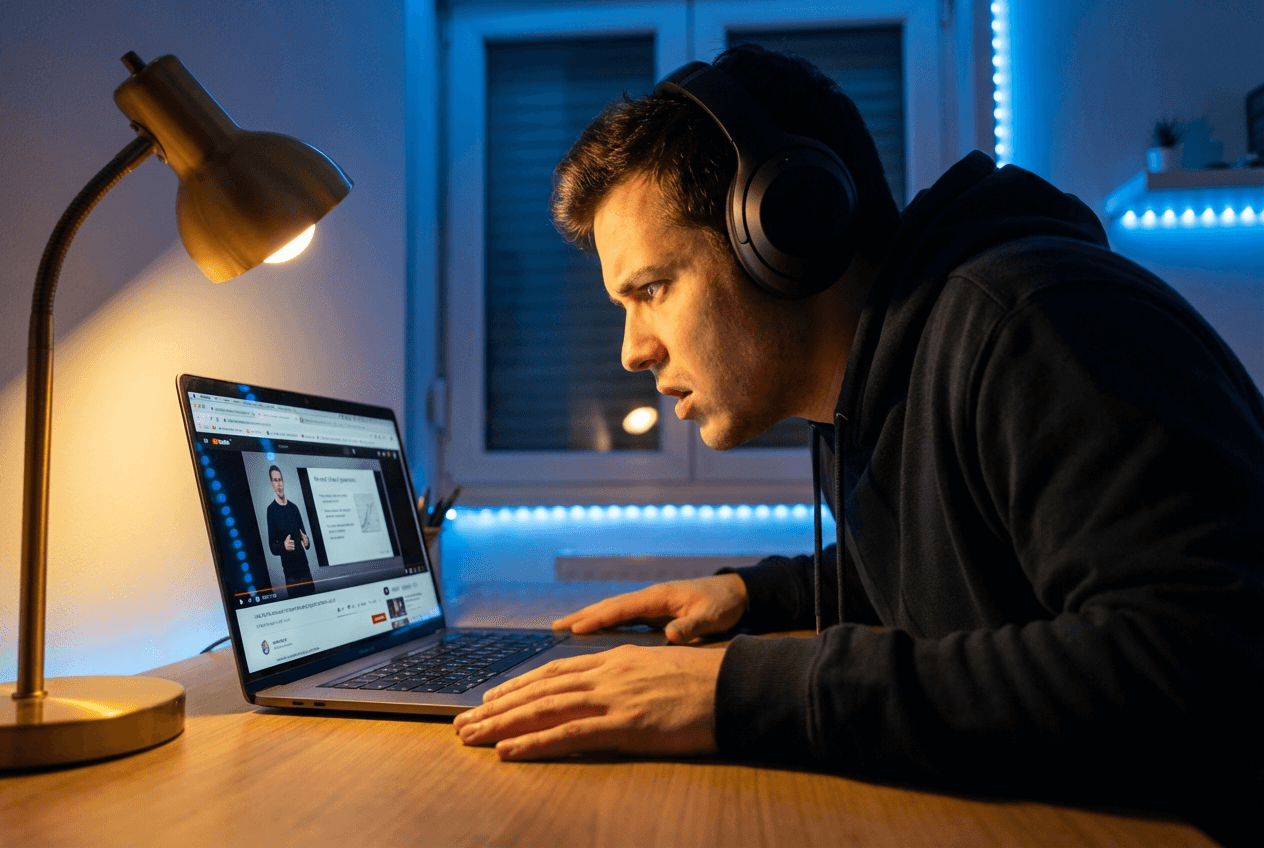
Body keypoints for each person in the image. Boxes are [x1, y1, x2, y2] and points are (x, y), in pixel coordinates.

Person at [452, 45, 1264, 846]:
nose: (631, 350)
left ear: (781, 229)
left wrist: (740, 693)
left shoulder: (1035, 328)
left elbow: (1198, 663)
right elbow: (963, 560)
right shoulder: (888, 387)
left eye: (652, 290)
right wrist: (754, 596)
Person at [265, 465, 314, 597]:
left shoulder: (294, 508)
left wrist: (307, 541)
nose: (279, 484)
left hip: (306, 571)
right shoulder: (271, 511)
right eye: (275, 480)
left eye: (280, 479)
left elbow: (305, 538)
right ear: (271, 484)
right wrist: (284, 546)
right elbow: (272, 546)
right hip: (291, 575)